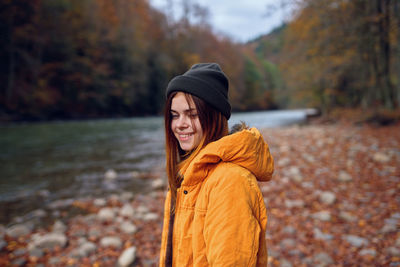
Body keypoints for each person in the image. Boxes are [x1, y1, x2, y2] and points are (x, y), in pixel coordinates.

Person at [159, 63, 274, 266]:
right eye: (175, 115)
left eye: (192, 114)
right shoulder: (185, 176)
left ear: (214, 116)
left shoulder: (230, 182)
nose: (180, 124)